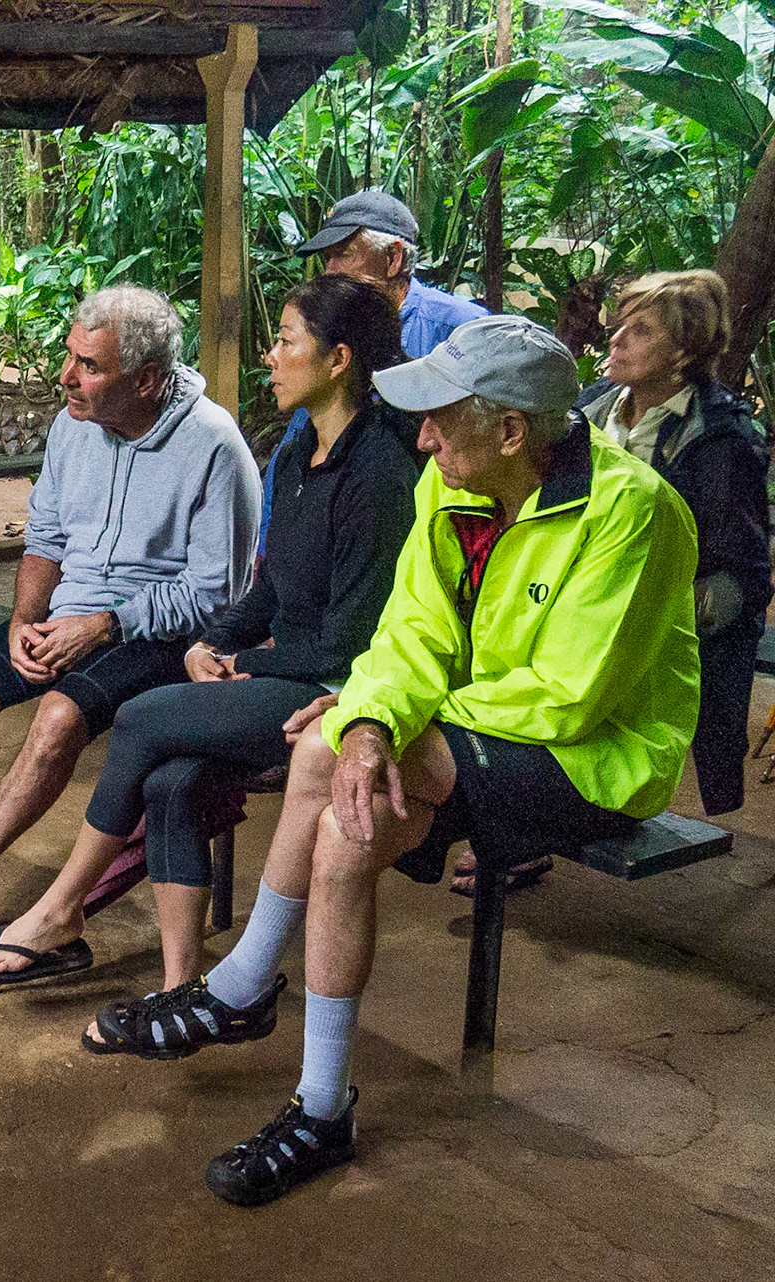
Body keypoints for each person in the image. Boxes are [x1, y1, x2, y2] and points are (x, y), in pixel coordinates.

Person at [95, 316, 697, 1207]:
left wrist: (396, 721)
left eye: (439, 420)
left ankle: (240, 988)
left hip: (590, 760)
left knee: (344, 751)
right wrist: (374, 716)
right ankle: (318, 1100)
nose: (421, 437)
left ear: (510, 432)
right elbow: (408, 634)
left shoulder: (631, 511)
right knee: (335, 800)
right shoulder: (449, 488)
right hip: (472, 731)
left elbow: (568, 695)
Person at [0, 276, 418, 997]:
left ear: (337, 360)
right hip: (277, 668)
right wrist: (218, 643)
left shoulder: (381, 471)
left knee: (142, 719)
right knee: (173, 782)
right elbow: (263, 586)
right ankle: (182, 987)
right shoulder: (301, 451)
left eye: (286, 342)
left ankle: (58, 909)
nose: (269, 356)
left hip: (332, 686)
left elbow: (352, 638)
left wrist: (245, 657)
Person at [0, 286, 261, 968]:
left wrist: (105, 624)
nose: (66, 377)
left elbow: (217, 595)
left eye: (88, 365)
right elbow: (47, 539)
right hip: (66, 616)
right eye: (69, 357)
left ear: (146, 380)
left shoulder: (214, 446)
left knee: (59, 717)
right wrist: (26, 620)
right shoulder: (73, 426)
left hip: (157, 635)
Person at [576, 270, 769, 817]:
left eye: (641, 331)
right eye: (621, 324)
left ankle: (531, 830)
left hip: (658, 628)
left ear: (682, 353)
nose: (616, 337)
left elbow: (742, 579)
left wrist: (652, 620)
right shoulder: (589, 412)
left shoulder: (720, 440)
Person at [259, 189, 488, 548]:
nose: (329, 271)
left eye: (342, 255)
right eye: (326, 259)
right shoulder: (334, 323)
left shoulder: (458, 328)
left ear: (393, 257)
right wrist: (268, 541)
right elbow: (304, 441)